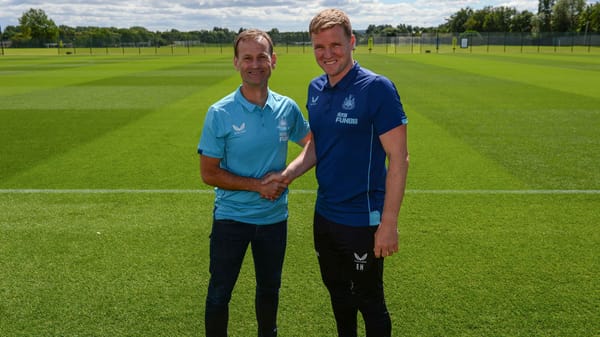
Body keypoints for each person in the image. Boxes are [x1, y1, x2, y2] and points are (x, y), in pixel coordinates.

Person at [266, 8, 409, 337]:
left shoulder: (377, 89)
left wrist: (388, 224)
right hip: (325, 217)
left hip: (363, 219)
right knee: (339, 295)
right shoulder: (315, 88)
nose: (327, 54)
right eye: (319, 47)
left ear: (352, 42)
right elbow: (316, 146)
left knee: (370, 300)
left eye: (335, 45)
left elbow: (399, 158)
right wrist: (286, 175)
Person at [197, 29, 311, 337]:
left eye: (262, 57)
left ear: (273, 61)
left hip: (275, 219)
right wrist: (257, 186)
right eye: (247, 57)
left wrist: (287, 175)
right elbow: (209, 173)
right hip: (231, 219)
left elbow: (313, 143)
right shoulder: (219, 112)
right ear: (235, 63)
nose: (255, 64)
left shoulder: (287, 107)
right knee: (220, 292)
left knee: (269, 289)